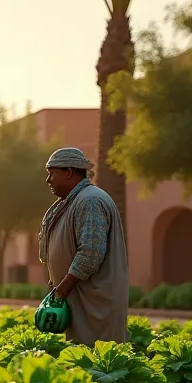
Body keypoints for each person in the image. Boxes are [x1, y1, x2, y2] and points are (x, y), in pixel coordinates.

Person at [38, 147, 129, 345]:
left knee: (97, 364)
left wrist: (60, 291)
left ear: (68, 172)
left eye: (51, 173)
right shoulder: (76, 201)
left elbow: (90, 254)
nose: (48, 180)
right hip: (80, 300)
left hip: (95, 303)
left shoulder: (90, 201)